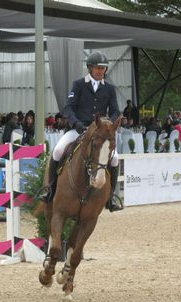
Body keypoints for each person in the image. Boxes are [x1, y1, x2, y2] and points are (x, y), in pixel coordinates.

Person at [39, 51, 123, 212]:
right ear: (90, 68)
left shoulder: (109, 89)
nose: (101, 71)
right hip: (79, 129)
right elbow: (68, 107)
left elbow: (115, 111)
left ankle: (111, 197)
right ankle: (50, 189)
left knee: (115, 159)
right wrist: (75, 123)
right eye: (98, 68)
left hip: (99, 132)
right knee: (57, 151)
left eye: (103, 68)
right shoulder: (78, 84)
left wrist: (109, 125)